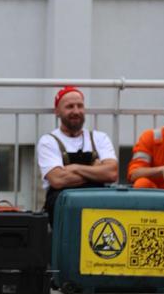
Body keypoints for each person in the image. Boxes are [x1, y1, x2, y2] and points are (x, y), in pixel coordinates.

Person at [36, 86, 118, 223]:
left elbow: (112, 174)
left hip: (98, 206)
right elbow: (57, 180)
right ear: (57, 111)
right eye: (69, 107)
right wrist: (96, 172)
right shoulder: (48, 141)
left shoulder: (100, 138)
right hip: (63, 207)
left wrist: (74, 168)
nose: (76, 111)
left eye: (80, 106)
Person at [127, 102, 164, 189]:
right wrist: (162, 170)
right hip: (156, 197)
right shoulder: (151, 137)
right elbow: (134, 174)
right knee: (141, 183)